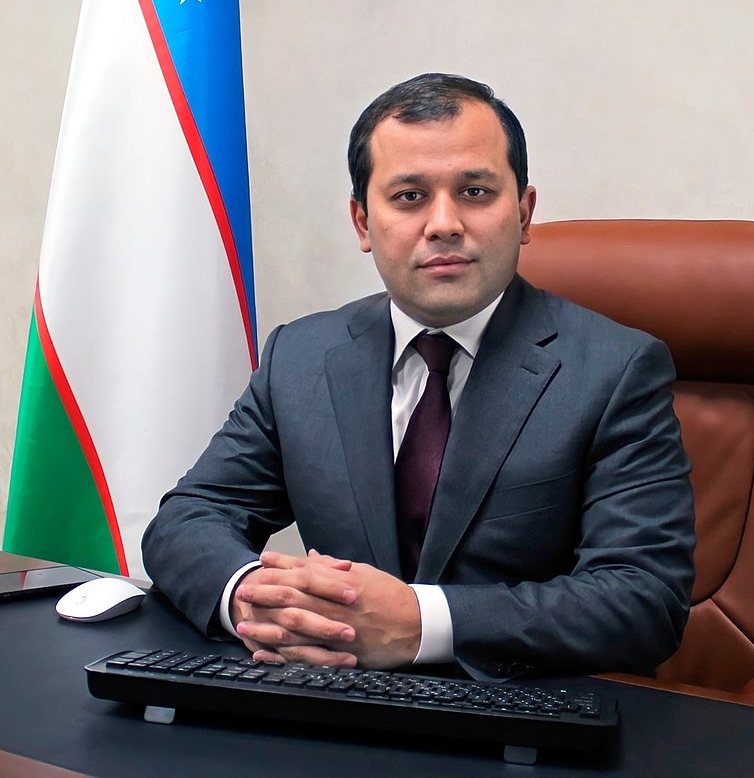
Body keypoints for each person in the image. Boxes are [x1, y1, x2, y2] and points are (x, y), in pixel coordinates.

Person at [142, 73, 695, 681]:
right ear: (362, 222)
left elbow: (642, 599)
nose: (444, 223)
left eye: (475, 192)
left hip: (516, 713)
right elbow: (189, 518)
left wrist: (420, 622)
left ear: (524, 212)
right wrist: (253, 598)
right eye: (409, 196)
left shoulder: (616, 370)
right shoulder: (300, 356)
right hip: (329, 701)